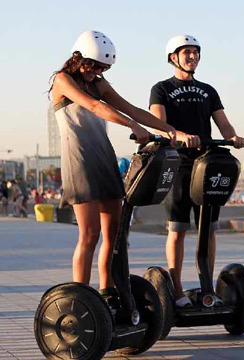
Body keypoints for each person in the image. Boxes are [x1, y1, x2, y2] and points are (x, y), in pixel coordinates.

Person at [50, 30, 177, 301]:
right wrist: (131, 125)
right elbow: (94, 107)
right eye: (94, 66)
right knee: (89, 234)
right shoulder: (62, 80)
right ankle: (81, 298)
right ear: (78, 58)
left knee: (115, 233)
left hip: (104, 158)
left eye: (103, 68)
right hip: (79, 160)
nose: (97, 72)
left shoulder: (99, 82)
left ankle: (107, 291)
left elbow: (134, 110)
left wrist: (171, 131)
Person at [149, 34, 244, 308]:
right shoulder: (161, 89)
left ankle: (207, 286)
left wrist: (234, 137)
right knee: (178, 229)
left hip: (206, 165)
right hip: (178, 164)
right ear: (173, 57)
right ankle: (177, 290)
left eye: (196, 52)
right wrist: (180, 135)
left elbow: (223, 123)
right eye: (187, 52)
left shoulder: (208, 90)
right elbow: (159, 124)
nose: (192, 57)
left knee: (208, 229)